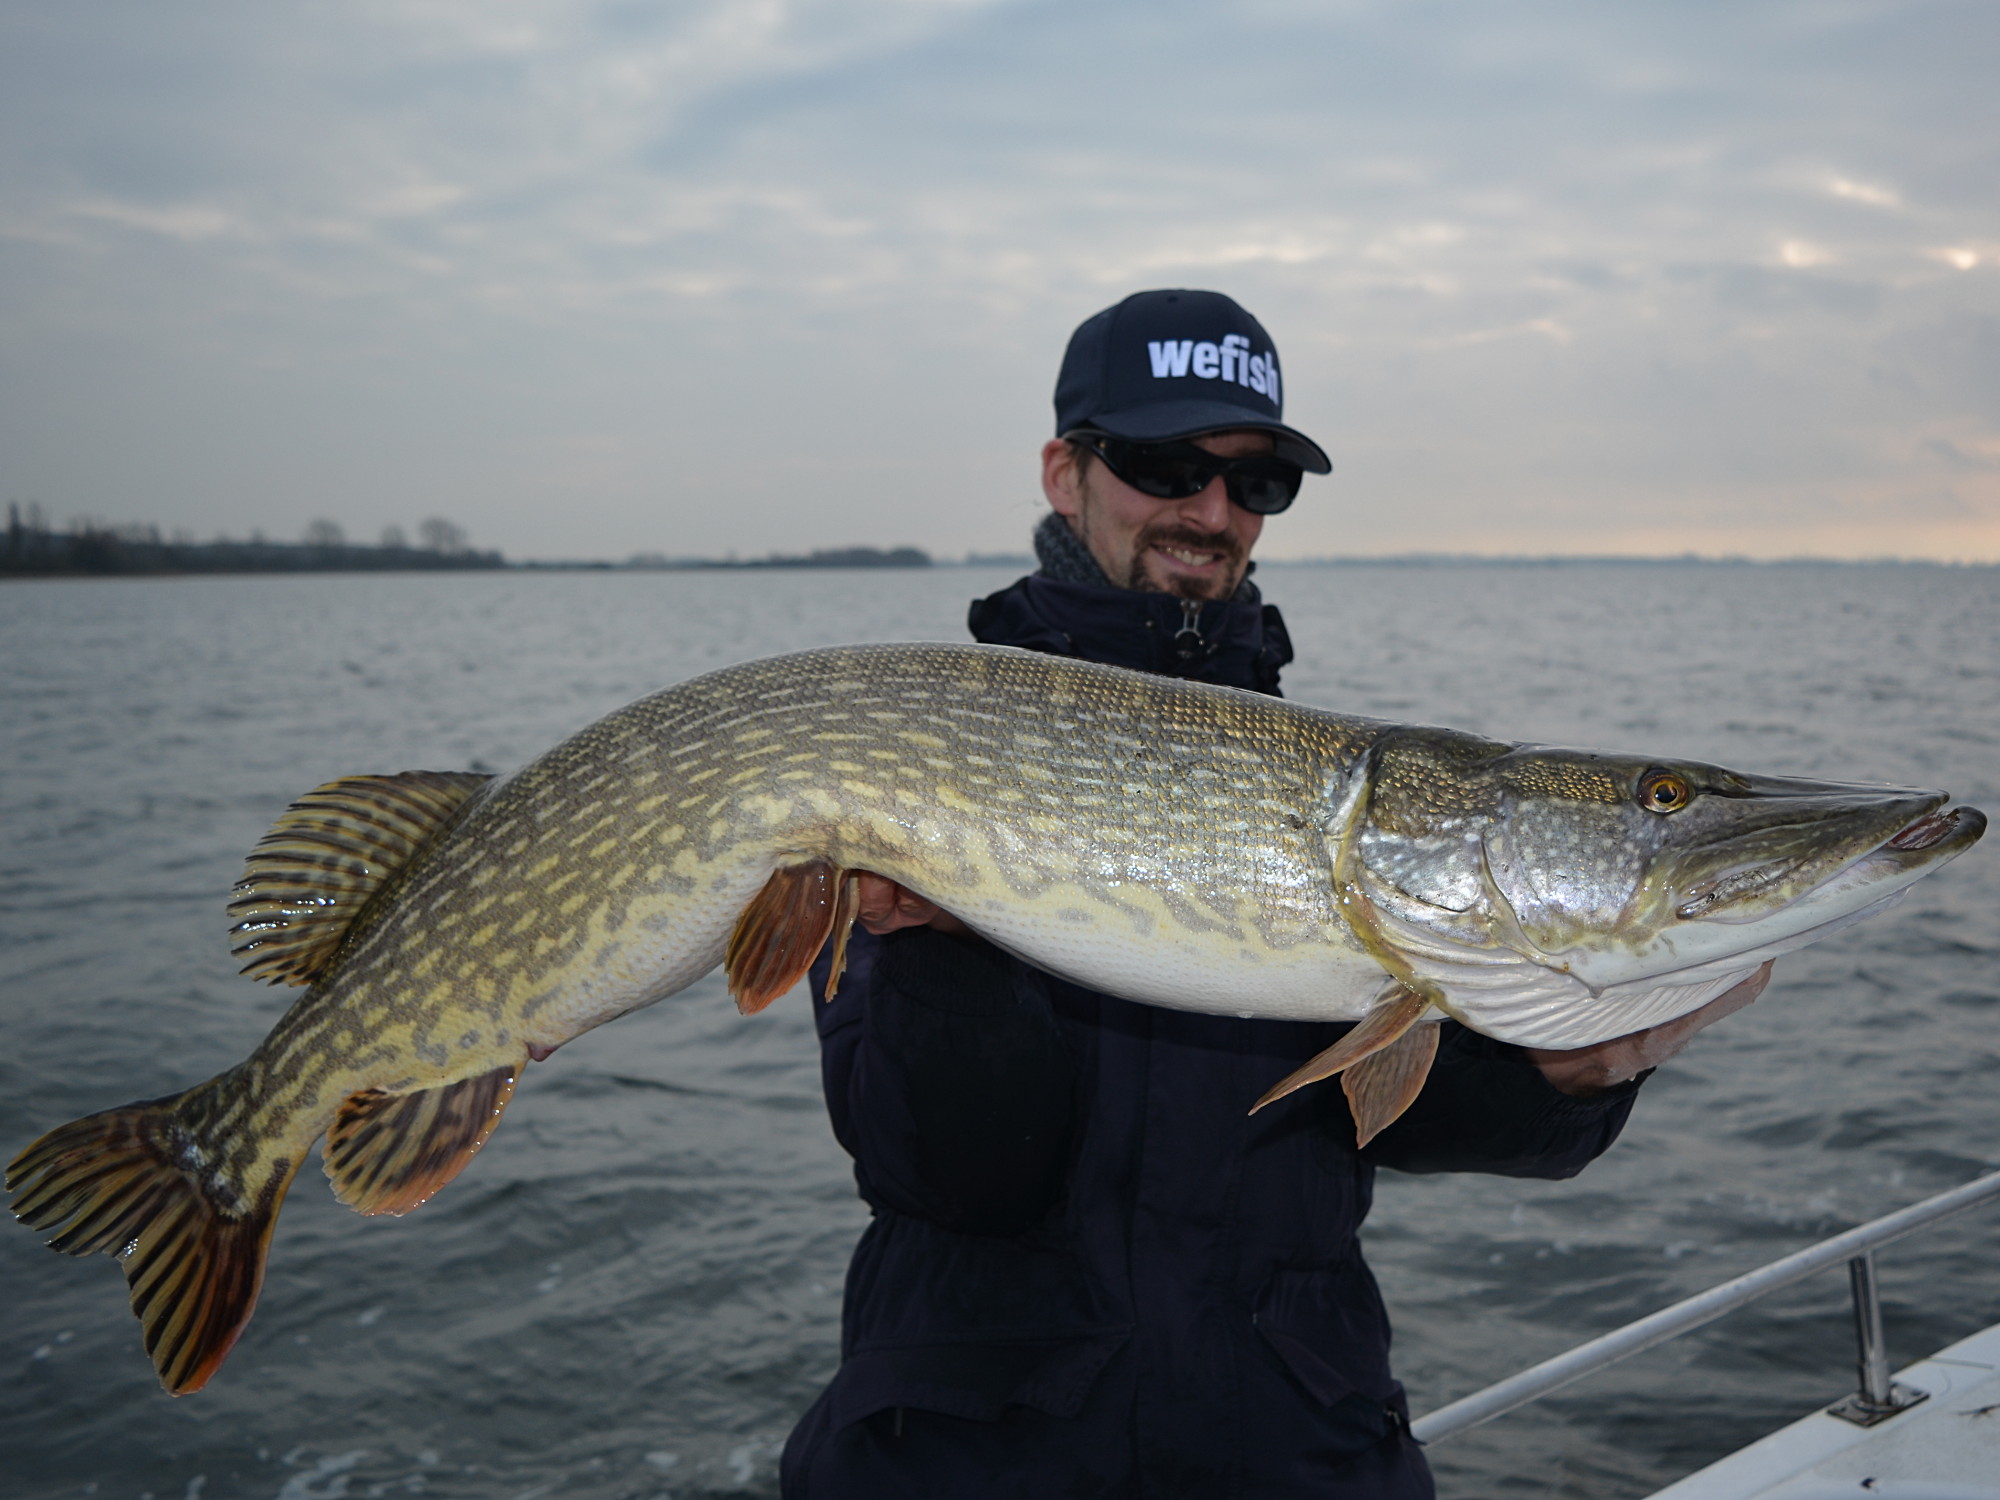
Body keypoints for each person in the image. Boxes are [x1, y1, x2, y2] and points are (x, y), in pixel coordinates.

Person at [779, 289, 1768, 1499]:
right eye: (1161, 465)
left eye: (1256, 484)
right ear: (1063, 473)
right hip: (965, 1450)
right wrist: (942, 952)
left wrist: (1556, 1082)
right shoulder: (911, 756)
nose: (1209, 512)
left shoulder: (1343, 800)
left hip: (1294, 1440)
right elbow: (943, 1177)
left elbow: (1389, 1113)